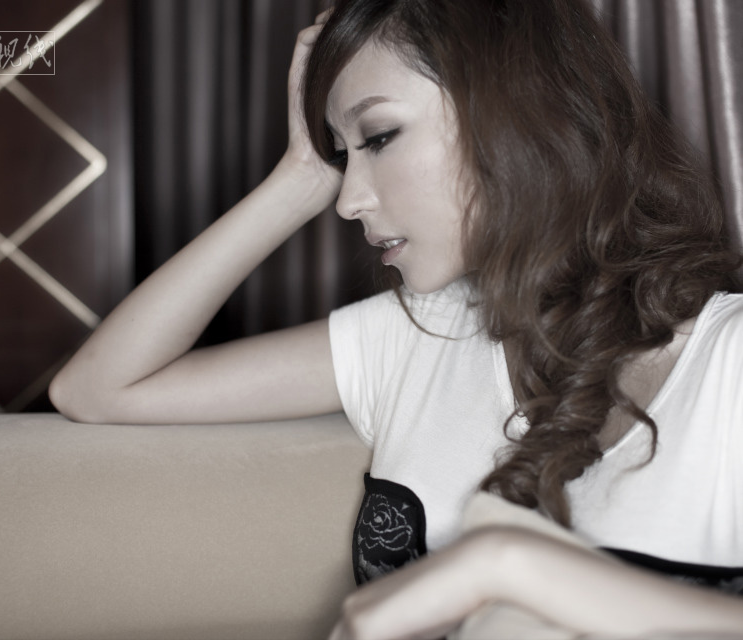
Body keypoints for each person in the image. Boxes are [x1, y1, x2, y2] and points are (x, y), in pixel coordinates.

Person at [50, 0, 743, 637]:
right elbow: (99, 388)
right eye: (340, 154)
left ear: (521, 112)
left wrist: (504, 564)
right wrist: (299, 176)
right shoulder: (418, 332)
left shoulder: (728, 361)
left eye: (379, 137)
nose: (348, 199)